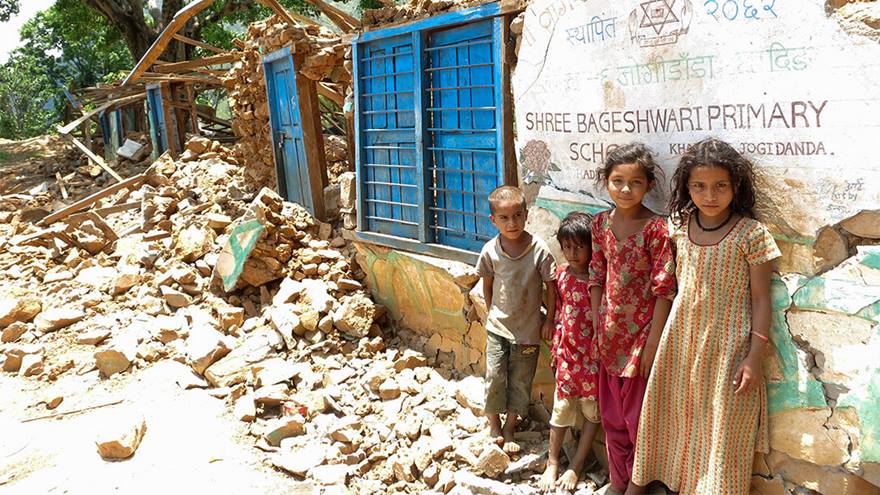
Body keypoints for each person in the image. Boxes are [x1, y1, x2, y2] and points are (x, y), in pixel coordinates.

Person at [632, 138, 780, 494]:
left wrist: (754, 357)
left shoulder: (751, 234)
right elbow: (667, 286)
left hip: (728, 346)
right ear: (686, 187)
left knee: (722, 425)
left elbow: (761, 299)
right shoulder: (680, 227)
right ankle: (650, 483)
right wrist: (653, 339)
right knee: (671, 415)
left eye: (719, 186)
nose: (709, 195)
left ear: (736, 187)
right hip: (680, 340)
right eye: (699, 186)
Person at [588, 144, 676, 495]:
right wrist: (597, 318)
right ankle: (618, 480)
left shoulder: (656, 229)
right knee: (612, 418)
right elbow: (597, 272)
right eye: (617, 181)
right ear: (606, 182)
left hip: (641, 339)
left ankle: (638, 486)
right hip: (609, 336)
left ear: (649, 185)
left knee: (638, 418)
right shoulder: (600, 224)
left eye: (635, 182)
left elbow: (664, 288)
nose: (625, 189)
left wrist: (653, 341)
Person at [477, 185, 557, 454]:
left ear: (526, 215)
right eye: (504, 218)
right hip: (498, 327)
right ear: (493, 220)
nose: (512, 223)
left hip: (528, 331)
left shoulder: (539, 250)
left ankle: (511, 426)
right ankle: (493, 423)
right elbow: (487, 286)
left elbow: (551, 287)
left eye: (518, 216)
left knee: (522, 382)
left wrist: (549, 320)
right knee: (495, 376)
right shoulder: (490, 250)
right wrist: (492, 314)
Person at [539, 212, 601, 492]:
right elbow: (556, 303)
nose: (573, 253)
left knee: (591, 410)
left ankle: (577, 463)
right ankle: (552, 462)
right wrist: (551, 327)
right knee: (561, 408)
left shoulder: (599, 278)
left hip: (592, 358)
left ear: (592, 247)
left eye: (579, 246)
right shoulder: (561, 274)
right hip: (567, 354)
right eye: (567, 247)